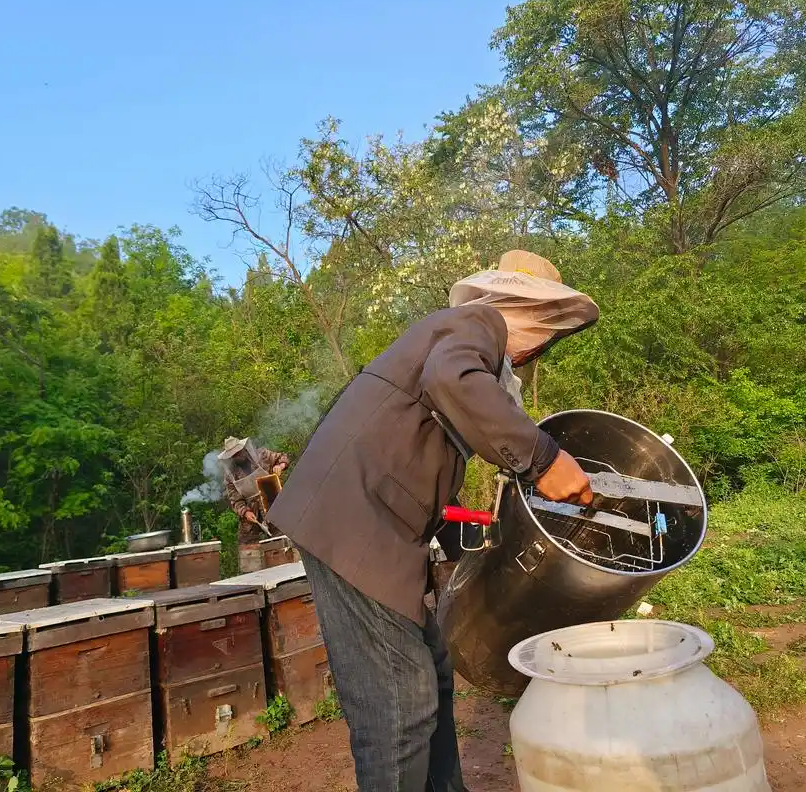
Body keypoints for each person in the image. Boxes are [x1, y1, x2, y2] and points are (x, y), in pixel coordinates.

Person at [266, 250, 599, 792]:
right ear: (533, 318)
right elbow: (453, 379)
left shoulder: (456, 335)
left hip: (377, 524)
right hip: (355, 523)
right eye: (548, 332)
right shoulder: (478, 324)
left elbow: (421, 450)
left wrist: (467, 540)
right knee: (400, 700)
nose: (543, 347)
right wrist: (543, 458)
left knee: (431, 673)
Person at [218, 436, 289, 573]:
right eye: (233, 455)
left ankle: (286, 568)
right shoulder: (230, 475)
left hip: (272, 500)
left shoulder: (262, 455)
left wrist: (280, 466)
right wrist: (245, 512)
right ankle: (252, 577)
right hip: (252, 511)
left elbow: (283, 457)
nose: (237, 456)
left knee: (282, 537)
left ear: (244, 449)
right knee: (247, 544)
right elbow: (235, 500)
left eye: (238, 452)